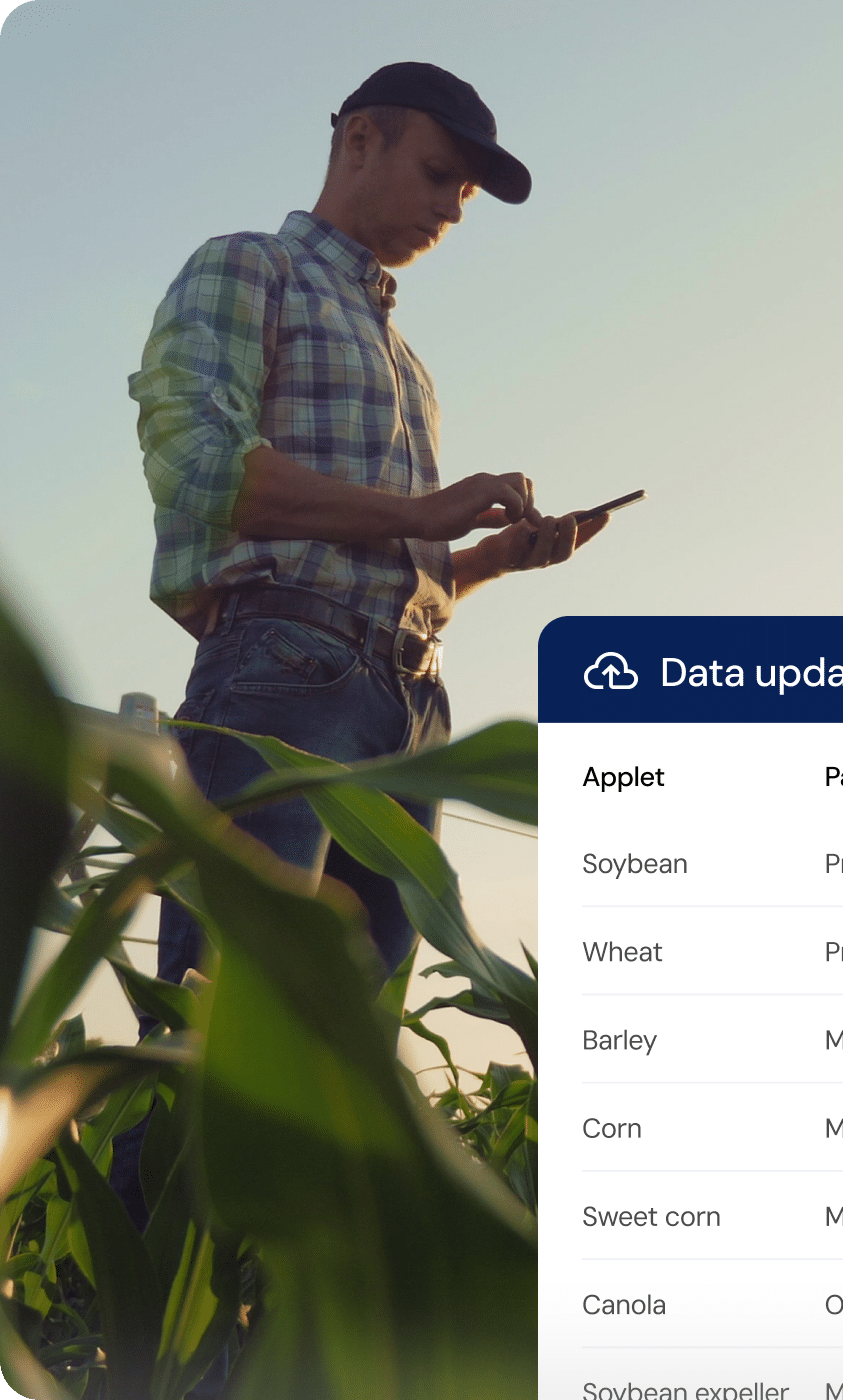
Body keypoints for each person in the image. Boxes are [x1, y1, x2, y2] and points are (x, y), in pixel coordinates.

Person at [112, 62, 604, 1239]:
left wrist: (489, 561)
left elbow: (393, 575)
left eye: (469, 195)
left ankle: (268, 1341)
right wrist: (427, 515)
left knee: (343, 1067)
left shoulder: (409, 366)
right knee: (223, 1028)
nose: (452, 208)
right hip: (281, 677)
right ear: (362, 140)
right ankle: (138, 1343)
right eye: (442, 173)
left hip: (405, 705)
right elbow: (200, 471)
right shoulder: (249, 268)